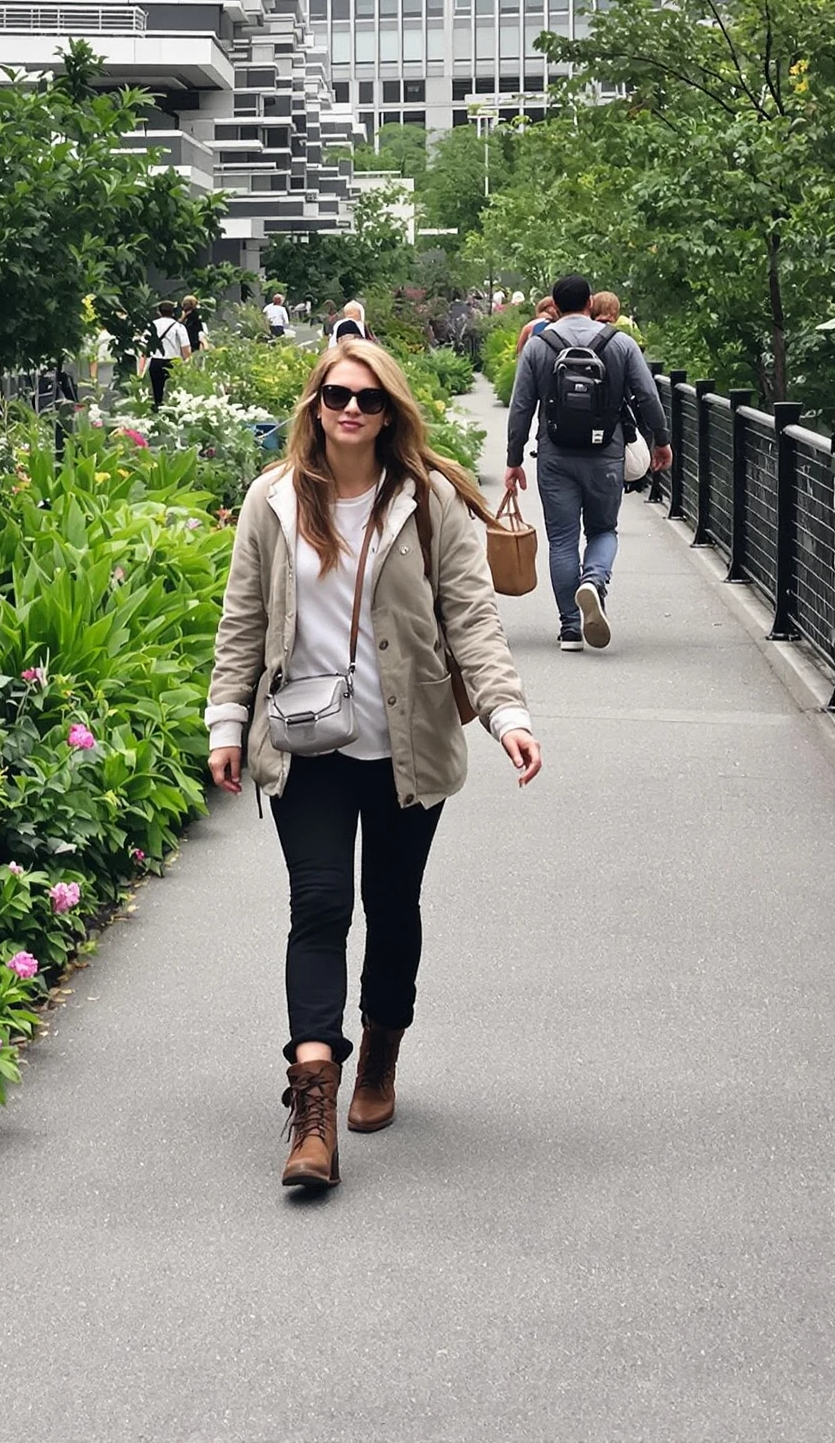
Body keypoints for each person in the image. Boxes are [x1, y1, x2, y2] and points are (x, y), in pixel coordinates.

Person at [206, 341, 541, 1191]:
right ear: (314, 404)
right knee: (318, 907)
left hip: (407, 743)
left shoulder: (428, 501)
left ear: (389, 412)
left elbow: (471, 619)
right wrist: (226, 723)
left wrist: (508, 716)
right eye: (334, 393)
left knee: (392, 906)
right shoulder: (273, 501)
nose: (349, 408)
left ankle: (382, 1047)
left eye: (366, 398)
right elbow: (242, 621)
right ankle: (312, 1107)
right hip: (305, 742)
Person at [505, 274, 673, 650]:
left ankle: (569, 629)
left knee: (562, 541)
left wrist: (514, 459)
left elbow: (521, 407)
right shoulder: (620, 344)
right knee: (603, 530)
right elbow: (647, 396)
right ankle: (594, 581)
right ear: (590, 302)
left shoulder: (538, 346)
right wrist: (661, 441)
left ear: (555, 303)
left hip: (555, 455)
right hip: (605, 454)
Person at [147, 298, 190, 409]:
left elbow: (145, 342)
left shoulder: (152, 325)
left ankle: (157, 407)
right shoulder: (178, 327)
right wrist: (187, 363)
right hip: (173, 362)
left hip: (155, 360)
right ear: (173, 312)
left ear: (159, 312)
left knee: (157, 390)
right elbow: (185, 347)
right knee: (172, 391)